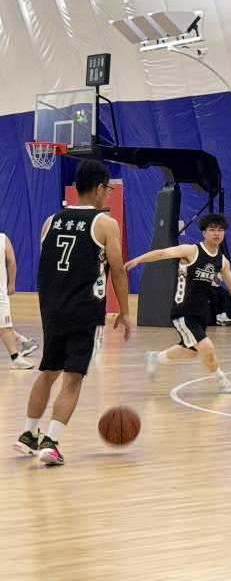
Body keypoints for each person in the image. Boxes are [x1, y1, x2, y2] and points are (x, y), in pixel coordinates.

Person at [13, 160, 132, 466]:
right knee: (73, 378)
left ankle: (28, 434)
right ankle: (51, 443)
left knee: (48, 372)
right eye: (107, 189)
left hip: (52, 310)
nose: (107, 194)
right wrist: (125, 311)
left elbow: (49, 267)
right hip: (84, 312)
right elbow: (118, 270)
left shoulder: (50, 221)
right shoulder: (105, 223)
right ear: (99, 188)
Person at [126, 214, 231, 394]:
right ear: (204, 233)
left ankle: (155, 357)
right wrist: (139, 259)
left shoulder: (222, 260)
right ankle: (222, 380)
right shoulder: (191, 251)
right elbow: (163, 253)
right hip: (183, 311)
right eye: (212, 230)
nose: (217, 233)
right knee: (207, 348)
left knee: (191, 351)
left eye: (220, 230)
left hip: (201, 312)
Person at [1, 230, 35, 369]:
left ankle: (16, 357)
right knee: (3, 326)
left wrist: (12, 283)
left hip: (0, 294)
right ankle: (24, 342)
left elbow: (11, 262)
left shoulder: (3, 239)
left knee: (5, 326)